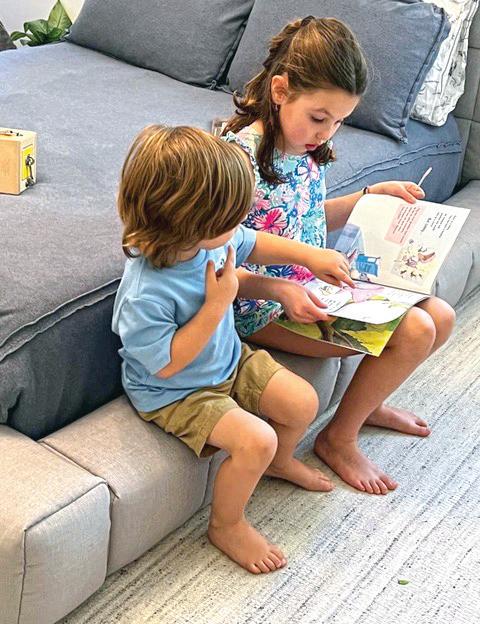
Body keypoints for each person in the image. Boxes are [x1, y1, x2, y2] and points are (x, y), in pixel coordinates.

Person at [222, 16, 456, 495]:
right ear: (281, 91)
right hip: (263, 306)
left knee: (442, 316)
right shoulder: (237, 160)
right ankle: (338, 439)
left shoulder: (304, 147)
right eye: (319, 118)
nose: (327, 132)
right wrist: (285, 282)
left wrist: (369, 198)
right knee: (415, 330)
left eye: (339, 122)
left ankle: (368, 405)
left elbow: (305, 216)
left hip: (314, 288)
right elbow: (221, 250)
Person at [112, 124, 356, 574]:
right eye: (230, 220)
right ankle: (226, 525)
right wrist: (217, 304)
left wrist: (308, 256)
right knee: (256, 440)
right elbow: (166, 364)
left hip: (227, 359)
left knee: (302, 401)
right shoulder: (145, 293)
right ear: (189, 221)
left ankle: (279, 463)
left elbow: (254, 242)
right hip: (177, 392)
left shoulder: (208, 241)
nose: (237, 228)